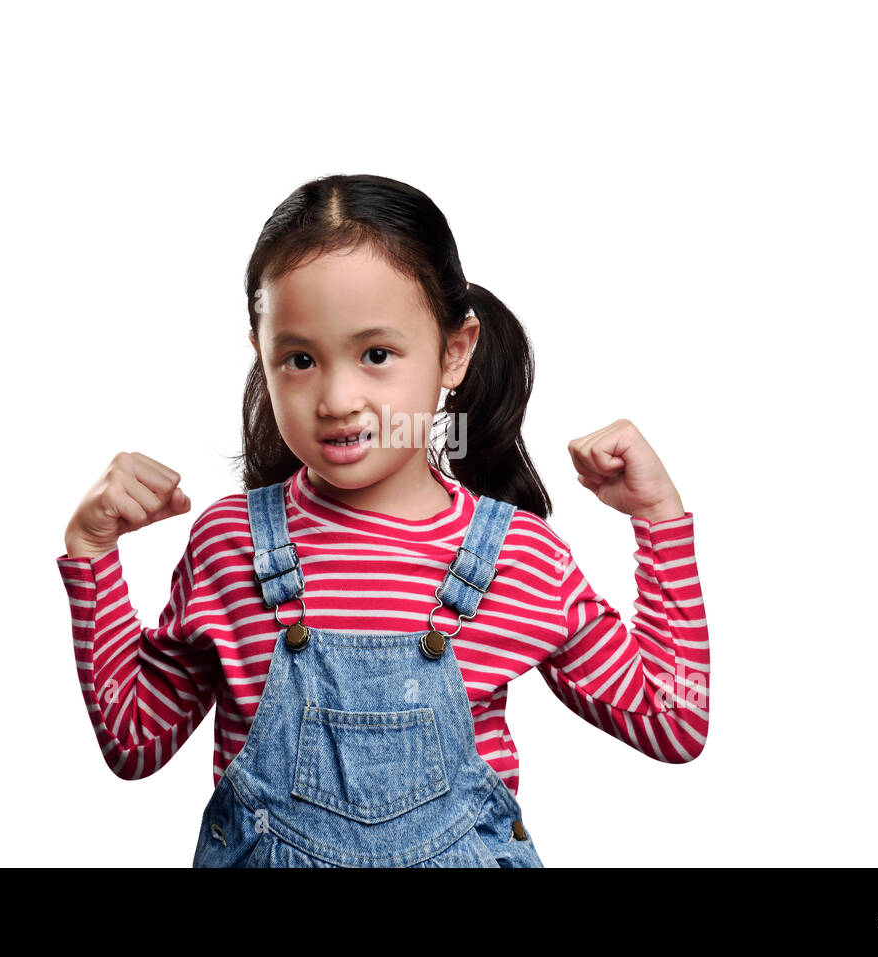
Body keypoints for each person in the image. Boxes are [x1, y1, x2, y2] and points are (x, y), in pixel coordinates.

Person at [56, 173, 710, 867]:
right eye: (300, 359)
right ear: (261, 353)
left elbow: (673, 722)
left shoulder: (523, 558)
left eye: (376, 355)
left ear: (454, 351)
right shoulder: (229, 545)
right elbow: (133, 740)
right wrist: (91, 550)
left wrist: (658, 518)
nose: (338, 397)